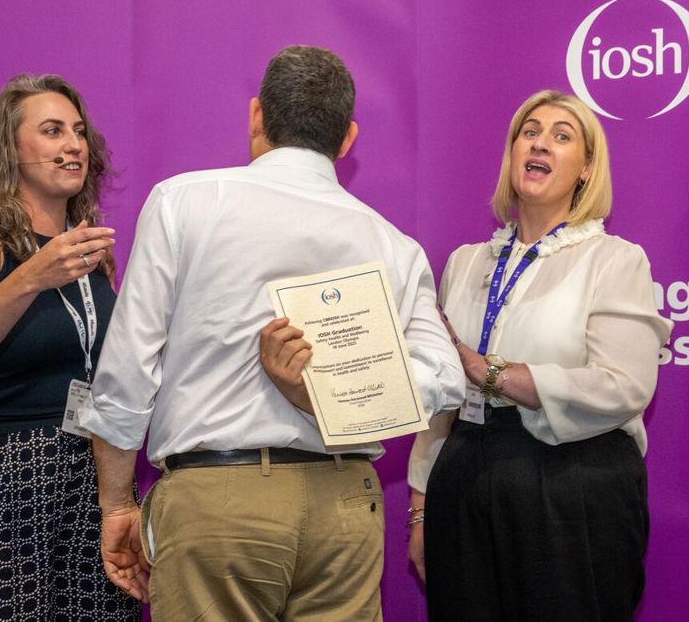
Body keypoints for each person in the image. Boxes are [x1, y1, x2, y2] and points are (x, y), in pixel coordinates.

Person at [80, 45, 464, 621]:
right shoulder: (395, 247)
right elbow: (444, 382)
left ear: (257, 115)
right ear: (348, 137)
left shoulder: (185, 202)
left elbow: (127, 374)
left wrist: (115, 504)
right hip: (345, 514)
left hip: (219, 504)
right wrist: (326, 392)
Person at [406, 90, 673, 621]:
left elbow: (624, 387)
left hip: (570, 484)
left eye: (561, 135)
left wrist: (494, 372)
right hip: (464, 474)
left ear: (585, 170)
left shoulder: (614, 260)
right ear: (511, 154)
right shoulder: (464, 262)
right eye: (530, 131)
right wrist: (420, 512)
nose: (541, 143)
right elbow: (442, 400)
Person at [0, 74, 141, 622]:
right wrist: (30, 277)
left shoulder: (94, 248)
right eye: (52, 131)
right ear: (11, 149)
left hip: (93, 465)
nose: (73, 144)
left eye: (78, 132)